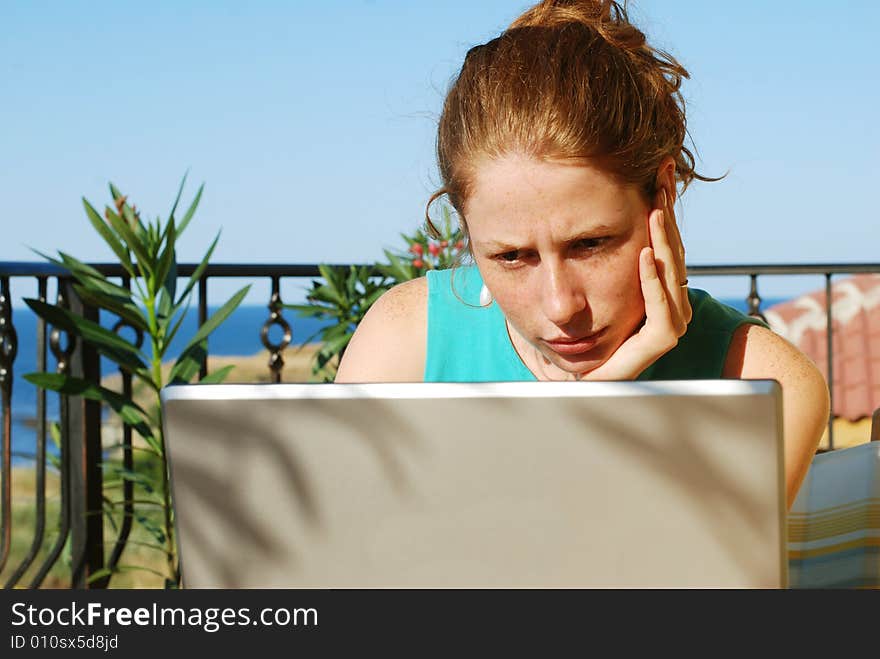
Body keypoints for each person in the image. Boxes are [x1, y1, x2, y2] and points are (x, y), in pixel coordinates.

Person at [335, 0, 829, 509]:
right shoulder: (405, 339)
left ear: (662, 194)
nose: (560, 306)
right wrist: (598, 392)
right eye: (510, 256)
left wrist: (602, 397)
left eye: (589, 245)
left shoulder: (762, 384)